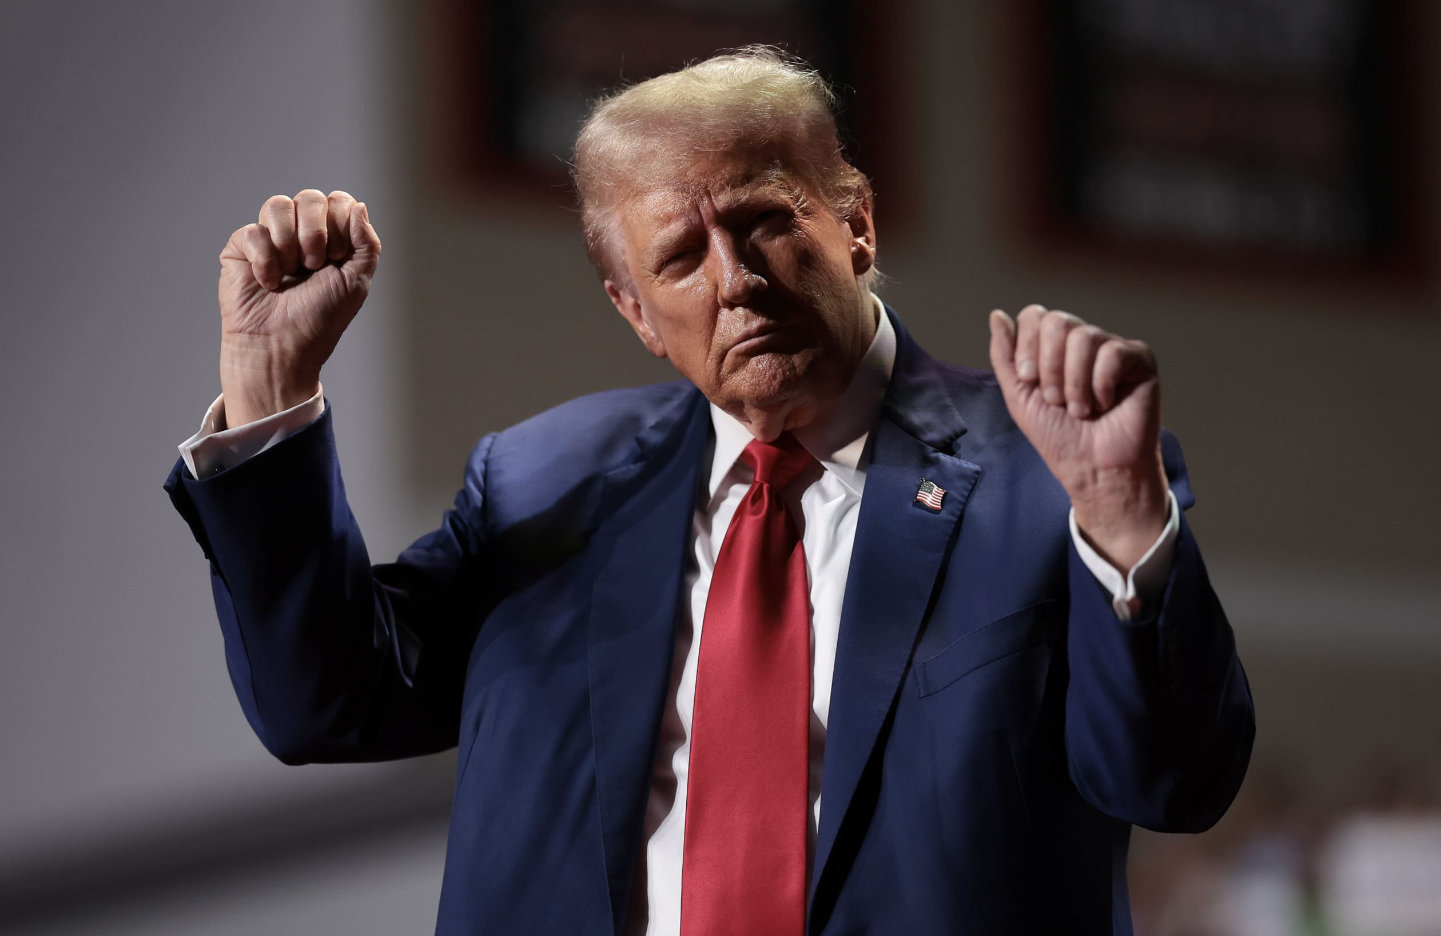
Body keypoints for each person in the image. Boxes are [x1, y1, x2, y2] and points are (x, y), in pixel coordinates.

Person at [166, 48, 1253, 936]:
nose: (733, 280)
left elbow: (1174, 780)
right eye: (679, 257)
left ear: (855, 223)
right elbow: (326, 702)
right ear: (633, 311)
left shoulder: (1044, 475)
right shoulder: (542, 484)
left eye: (764, 221)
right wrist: (270, 389)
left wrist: (1117, 518)